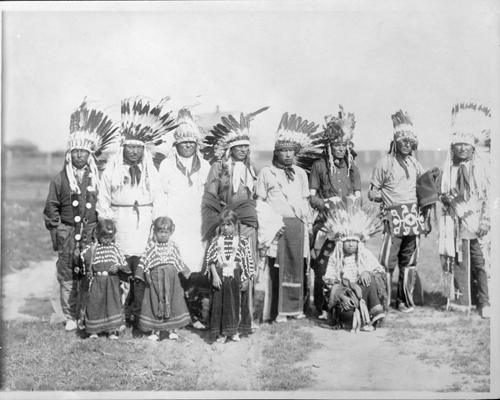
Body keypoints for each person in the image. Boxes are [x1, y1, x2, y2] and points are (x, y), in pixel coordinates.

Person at [97, 97, 175, 325]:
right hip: (120, 222)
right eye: (130, 147)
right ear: (123, 147)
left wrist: (157, 221)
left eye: (138, 148)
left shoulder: (151, 169)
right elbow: (103, 197)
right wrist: (107, 222)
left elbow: (159, 195)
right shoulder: (112, 168)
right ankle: (117, 314)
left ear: (143, 150)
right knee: (120, 269)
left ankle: (141, 313)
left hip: (143, 225)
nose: (133, 151)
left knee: (141, 269)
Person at [43, 100, 118, 331]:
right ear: (69, 154)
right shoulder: (60, 179)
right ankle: (69, 316)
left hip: (91, 234)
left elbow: (105, 202)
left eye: (82, 152)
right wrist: (58, 231)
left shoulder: (97, 177)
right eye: (74, 152)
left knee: (90, 272)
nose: (78, 156)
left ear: (89, 155)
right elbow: (51, 208)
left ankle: (88, 313)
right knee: (67, 274)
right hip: (67, 234)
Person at [201, 107, 268, 333]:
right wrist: (221, 219)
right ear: (230, 148)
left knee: (245, 269)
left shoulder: (252, 169)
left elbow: (257, 196)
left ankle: (243, 320)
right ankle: (222, 320)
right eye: (238, 146)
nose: (242, 150)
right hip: (226, 224)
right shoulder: (218, 168)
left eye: (245, 146)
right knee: (223, 268)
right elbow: (210, 198)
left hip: (247, 225)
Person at [256, 112, 317, 322]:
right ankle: (276, 311)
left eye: (291, 151)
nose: (288, 155)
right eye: (284, 151)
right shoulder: (266, 173)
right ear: (276, 153)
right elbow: (260, 203)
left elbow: (304, 200)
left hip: (297, 226)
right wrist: (268, 226)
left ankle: (297, 308)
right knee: (276, 268)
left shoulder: (301, 174)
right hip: (277, 227)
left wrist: (306, 223)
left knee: (298, 267)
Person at [368, 110, 427, 313]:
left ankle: (404, 301)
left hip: (413, 217)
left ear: (414, 143)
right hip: (394, 217)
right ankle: (383, 301)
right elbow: (372, 192)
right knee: (386, 262)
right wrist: (387, 199)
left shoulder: (415, 164)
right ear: (395, 140)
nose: (406, 144)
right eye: (402, 140)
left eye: (409, 141)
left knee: (409, 261)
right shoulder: (385, 162)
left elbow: (424, 190)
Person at [158, 108, 210, 329]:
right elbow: (161, 195)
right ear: (176, 144)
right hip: (176, 224)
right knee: (179, 266)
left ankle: (197, 315)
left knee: (198, 269)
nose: (188, 145)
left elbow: (210, 197)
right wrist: (163, 223)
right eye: (183, 142)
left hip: (197, 224)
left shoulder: (205, 166)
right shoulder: (167, 166)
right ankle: (178, 314)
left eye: (191, 142)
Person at [308, 105, 362, 320]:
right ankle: (322, 306)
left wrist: (351, 203)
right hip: (326, 222)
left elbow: (359, 195)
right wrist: (326, 204)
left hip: (348, 223)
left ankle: (347, 304)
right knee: (323, 265)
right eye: (336, 144)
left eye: (343, 145)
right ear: (329, 145)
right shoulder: (319, 166)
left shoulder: (352, 168)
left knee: (347, 264)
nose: (340, 148)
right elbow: (311, 197)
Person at [438, 102, 491, 318]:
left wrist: (485, 221)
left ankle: (484, 301)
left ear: (473, 147)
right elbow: (443, 193)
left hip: (476, 224)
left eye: (466, 145)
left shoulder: (481, 168)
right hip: (454, 224)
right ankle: (460, 301)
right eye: (458, 144)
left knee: (479, 262)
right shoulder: (449, 169)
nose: (462, 148)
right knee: (457, 260)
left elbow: (489, 196)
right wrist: (450, 202)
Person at [322, 200, 386, 332]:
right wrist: (340, 295)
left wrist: (367, 273)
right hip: (345, 298)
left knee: (371, 277)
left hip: (362, 294)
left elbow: (380, 272)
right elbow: (328, 283)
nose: (351, 244)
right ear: (341, 243)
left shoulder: (364, 255)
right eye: (347, 241)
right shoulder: (336, 258)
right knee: (349, 314)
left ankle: (374, 313)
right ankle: (354, 320)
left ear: (358, 243)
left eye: (353, 241)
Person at [134, 217, 192, 341]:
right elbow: (144, 261)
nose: (163, 235)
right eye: (160, 232)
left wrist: (186, 272)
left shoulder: (173, 246)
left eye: (166, 232)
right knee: (155, 302)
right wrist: (142, 274)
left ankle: (172, 330)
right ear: (155, 232)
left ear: (171, 232)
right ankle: (155, 331)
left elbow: (178, 260)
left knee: (173, 302)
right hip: (155, 279)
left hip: (171, 280)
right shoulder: (151, 246)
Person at [204, 210, 255, 343]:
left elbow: (247, 261)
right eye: (223, 225)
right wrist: (215, 276)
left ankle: (234, 331)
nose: (226, 228)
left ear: (235, 225)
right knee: (219, 304)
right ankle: (222, 332)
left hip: (235, 277)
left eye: (229, 224)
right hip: (220, 277)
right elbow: (210, 260)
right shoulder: (216, 241)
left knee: (235, 304)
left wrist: (246, 279)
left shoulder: (243, 241)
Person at [81, 219, 129, 339]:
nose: (107, 239)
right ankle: (94, 330)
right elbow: (83, 257)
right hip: (97, 281)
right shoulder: (93, 248)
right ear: (97, 234)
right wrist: (89, 264)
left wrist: (118, 267)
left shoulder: (115, 248)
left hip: (111, 282)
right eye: (104, 236)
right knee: (95, 304)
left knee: (112, 305)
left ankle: (112, 330)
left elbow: (124, 264)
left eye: (110, 236)